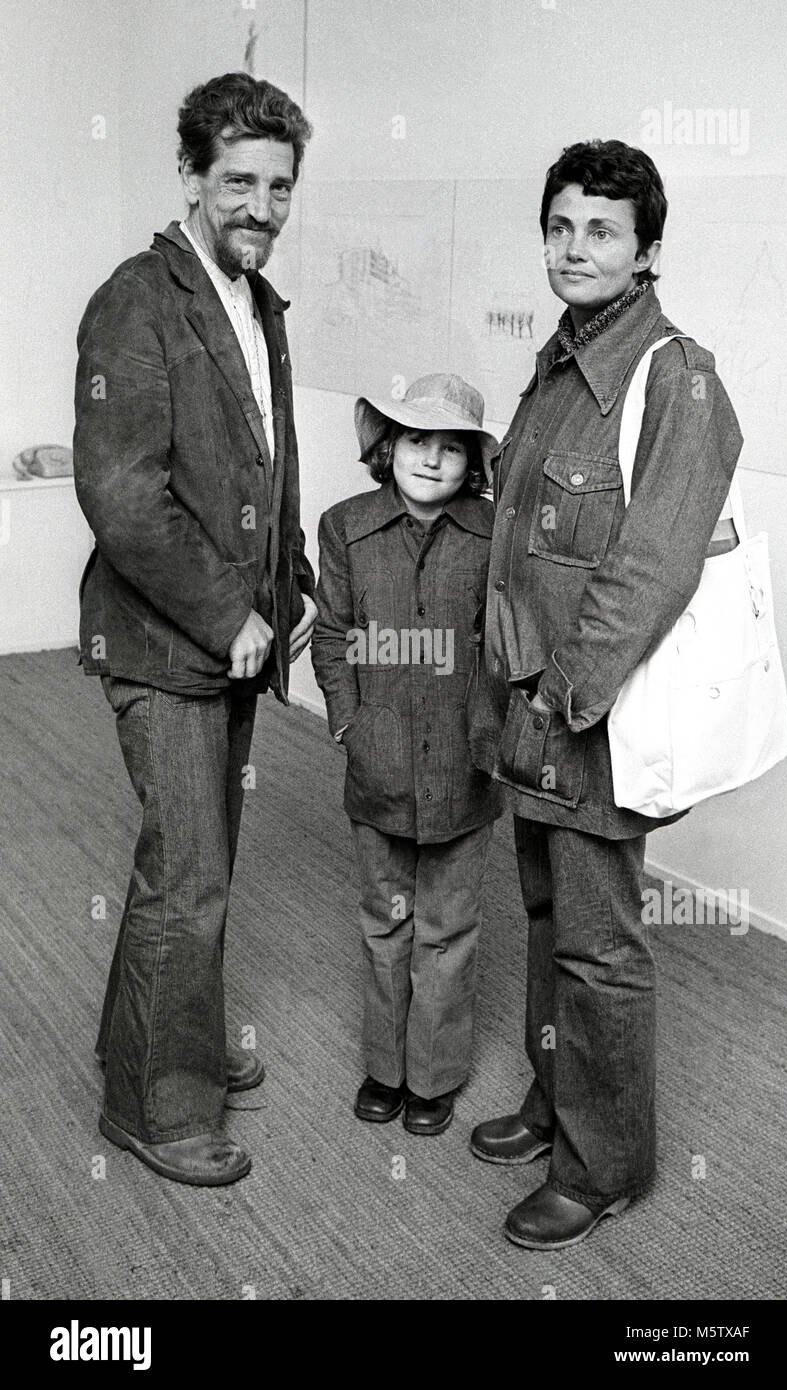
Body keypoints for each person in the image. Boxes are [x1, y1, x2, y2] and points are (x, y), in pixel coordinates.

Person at [468, 140, 743, 1247]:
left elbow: (651, 566)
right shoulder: (560, 358)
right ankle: (554, 1101)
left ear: (648, 252)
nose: (573, 248)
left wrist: (564, 695)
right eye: (560, 226)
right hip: (528, 702)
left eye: (600, 231)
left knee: (598, 941)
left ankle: (604, 1165)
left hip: (587, 712)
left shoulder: (675, 373)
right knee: (544, 920)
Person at [73, 72, 317, 1186]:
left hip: (232, 641)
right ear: (188, 177)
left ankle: (156, 1041)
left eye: (277, 186)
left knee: (193, 861)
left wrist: (294, 580)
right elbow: (123, 496)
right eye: (237, 182)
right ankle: (157, 1107)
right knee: (190, 874)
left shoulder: (256, 302)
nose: (259, 206)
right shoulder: (136, 299)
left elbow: (268, 459)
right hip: (166, 646)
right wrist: (230, 613)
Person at [311, 375, 503, 1136]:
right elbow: (332, 635)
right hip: (379, 763)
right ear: (386, 446)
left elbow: (509, 644)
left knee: (447, 929)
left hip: (465, 764)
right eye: (417, 441)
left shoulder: (492, 535)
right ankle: (384, 1069)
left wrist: (491, 738)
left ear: (472, 466)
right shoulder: (344, 526)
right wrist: (346, 724)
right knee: (385, 920)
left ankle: (432, 1077)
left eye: (451, 449)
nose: (431, 461)